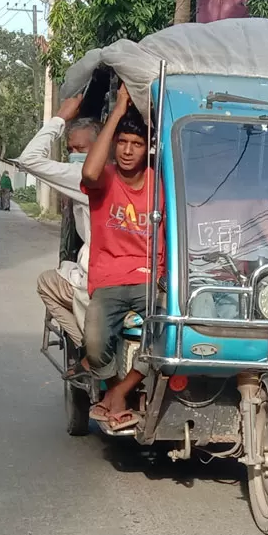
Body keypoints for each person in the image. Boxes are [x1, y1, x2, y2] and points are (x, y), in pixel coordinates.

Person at [81, 83, 162, 431]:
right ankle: (114, 389)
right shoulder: (105, 178)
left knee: (168, 335)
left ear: (148, 149)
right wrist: (118, 110)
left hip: (151, 279)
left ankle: (121, 392)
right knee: (95, 342)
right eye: (123, 143)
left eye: (137, 144)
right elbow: (88, 172)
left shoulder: (162, 184)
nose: (128, 151)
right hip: (110, 278)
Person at [18, 97, 99, 351]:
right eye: (70, 150)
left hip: (98, 275)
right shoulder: (129, 175)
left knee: (46, 282)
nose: (74, 156)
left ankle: (87, 349)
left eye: (80, 149)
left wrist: (60, 118)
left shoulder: (84, 176)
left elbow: (29, 159)